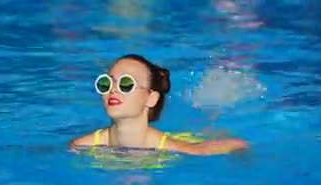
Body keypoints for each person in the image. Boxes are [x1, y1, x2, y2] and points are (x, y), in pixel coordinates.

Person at [68, 54, 249, 155]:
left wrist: (243, 159)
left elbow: (238, 144)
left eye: (125, 84)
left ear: (151, 98)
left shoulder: (170, 147)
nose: (113, 91)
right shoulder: (81, 146)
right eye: (106, 83)